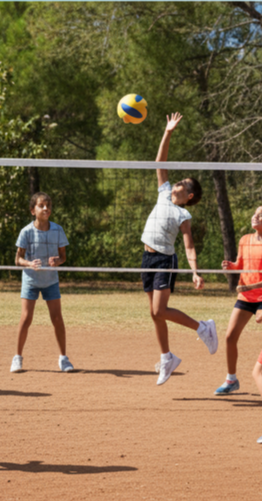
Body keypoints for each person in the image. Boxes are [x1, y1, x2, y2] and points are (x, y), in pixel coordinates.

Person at [140, 112, 217, 386]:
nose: (177, 183)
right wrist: (168, 132)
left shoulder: (183, 215)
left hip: (164, 261)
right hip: (146, 258)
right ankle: (167, 358)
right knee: (154, 313)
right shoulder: (163, 193)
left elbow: (189, 246)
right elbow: (160, 161)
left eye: (182, 184)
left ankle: (203, 327)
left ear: (189, 196)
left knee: (160, 311)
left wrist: (195, 272)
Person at [10, 192, 73, 373]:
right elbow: (18, 259)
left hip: (50, 280)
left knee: (57, 319)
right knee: (26, 318)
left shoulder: (58, 230)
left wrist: (57, 262)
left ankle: (63, 359)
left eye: (48, 205)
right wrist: (29, 263)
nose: (46, 208)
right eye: (41, 205)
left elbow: (63, 257)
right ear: (32, 210)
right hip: (30, 279)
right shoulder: (26, 232)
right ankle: (17, 358)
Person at [216, 206, 262, 395]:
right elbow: (240, 264)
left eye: (261, 215)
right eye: (255, 213)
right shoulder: (245, 240)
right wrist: (232, 266)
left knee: (260, 318)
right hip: (245, 296)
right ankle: (231, 379)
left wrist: (253, 287)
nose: (255, 217)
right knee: (229, 337)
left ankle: (258, 371)